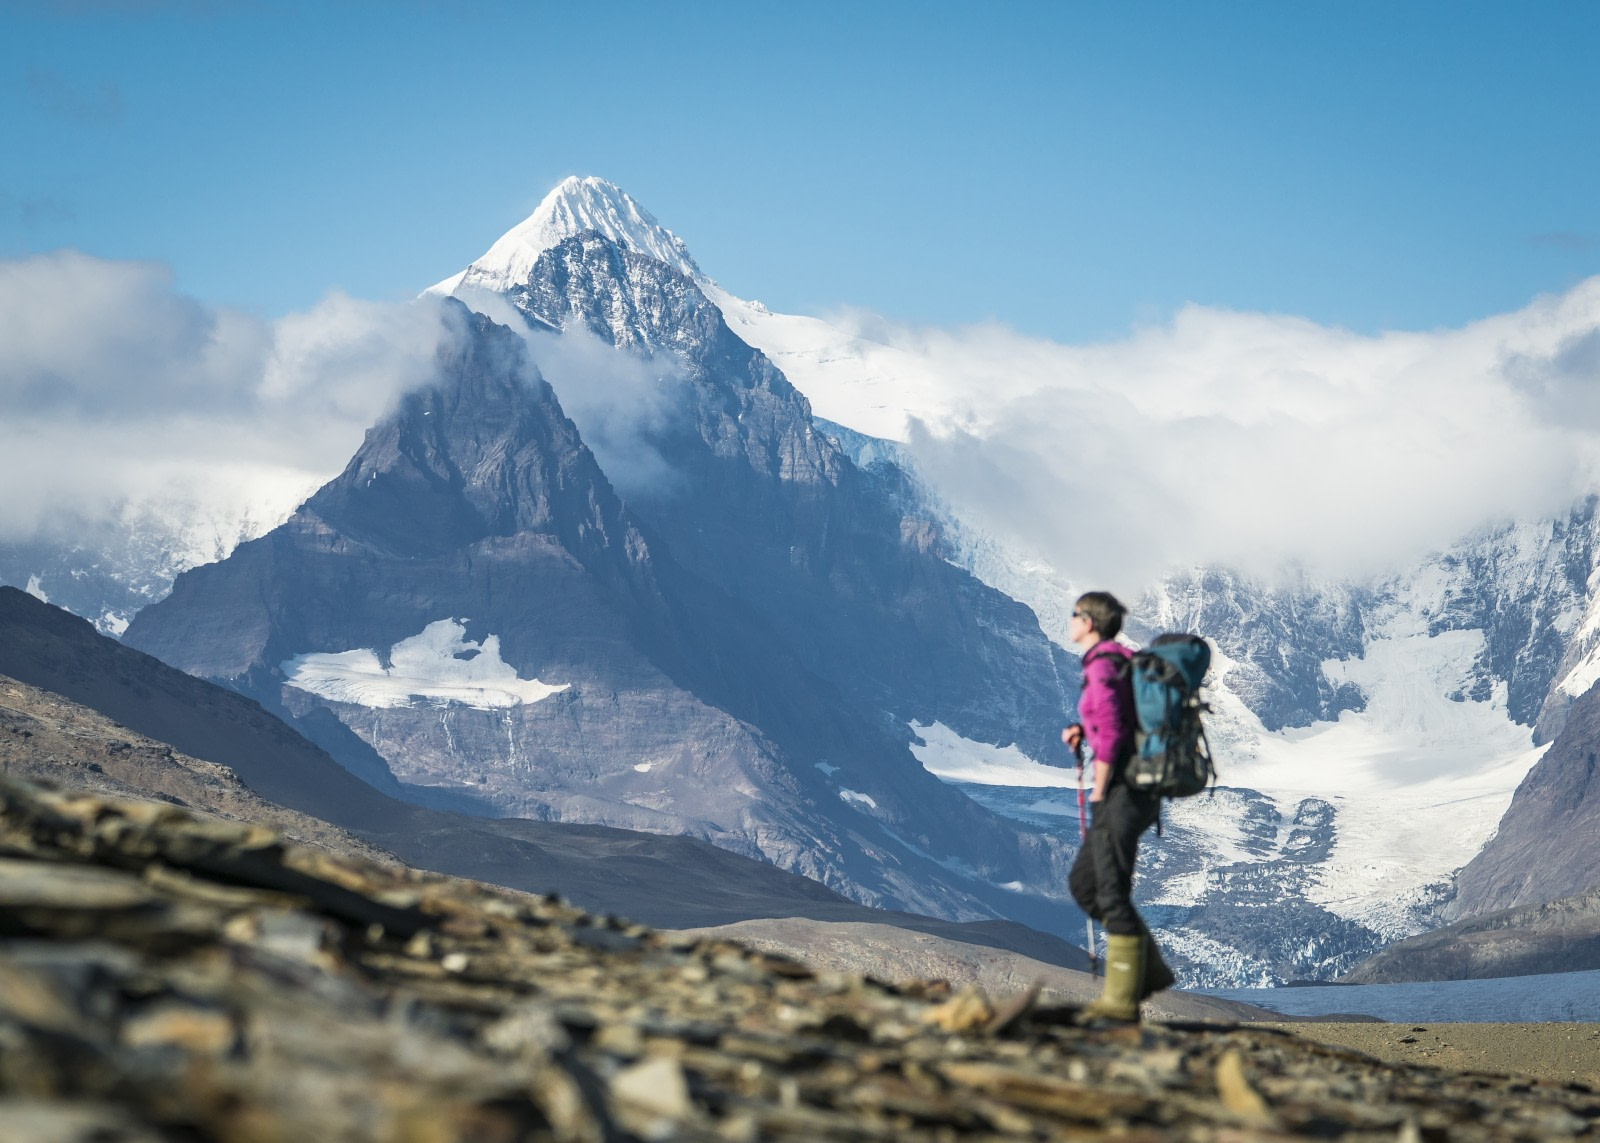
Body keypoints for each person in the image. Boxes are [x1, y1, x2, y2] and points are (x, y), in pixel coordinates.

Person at [1061, 590, 1174, 1022]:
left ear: (1088, 621)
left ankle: (1121, 1003)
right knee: (1087, 886)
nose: (1069, 621)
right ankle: (1152, 970)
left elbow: (1111, 733)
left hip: (1124, 791)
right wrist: (1080, 731)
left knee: (1109, 890)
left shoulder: (1105, 665)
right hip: (1130, 790)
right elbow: (1113, 724)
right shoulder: (1108, 664)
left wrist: (1099, 787)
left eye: (1074, 615)